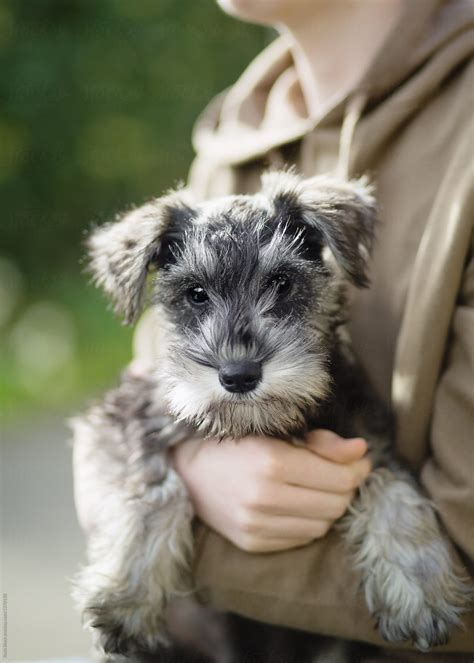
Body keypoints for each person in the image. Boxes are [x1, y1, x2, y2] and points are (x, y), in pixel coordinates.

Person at [74, 0, 474, 660]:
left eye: (283, 288)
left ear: (340, 260)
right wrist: (177, 479)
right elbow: (140, 385)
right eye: (196, 296)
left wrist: (167, 527)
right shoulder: (224, 146)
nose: (236, 356)